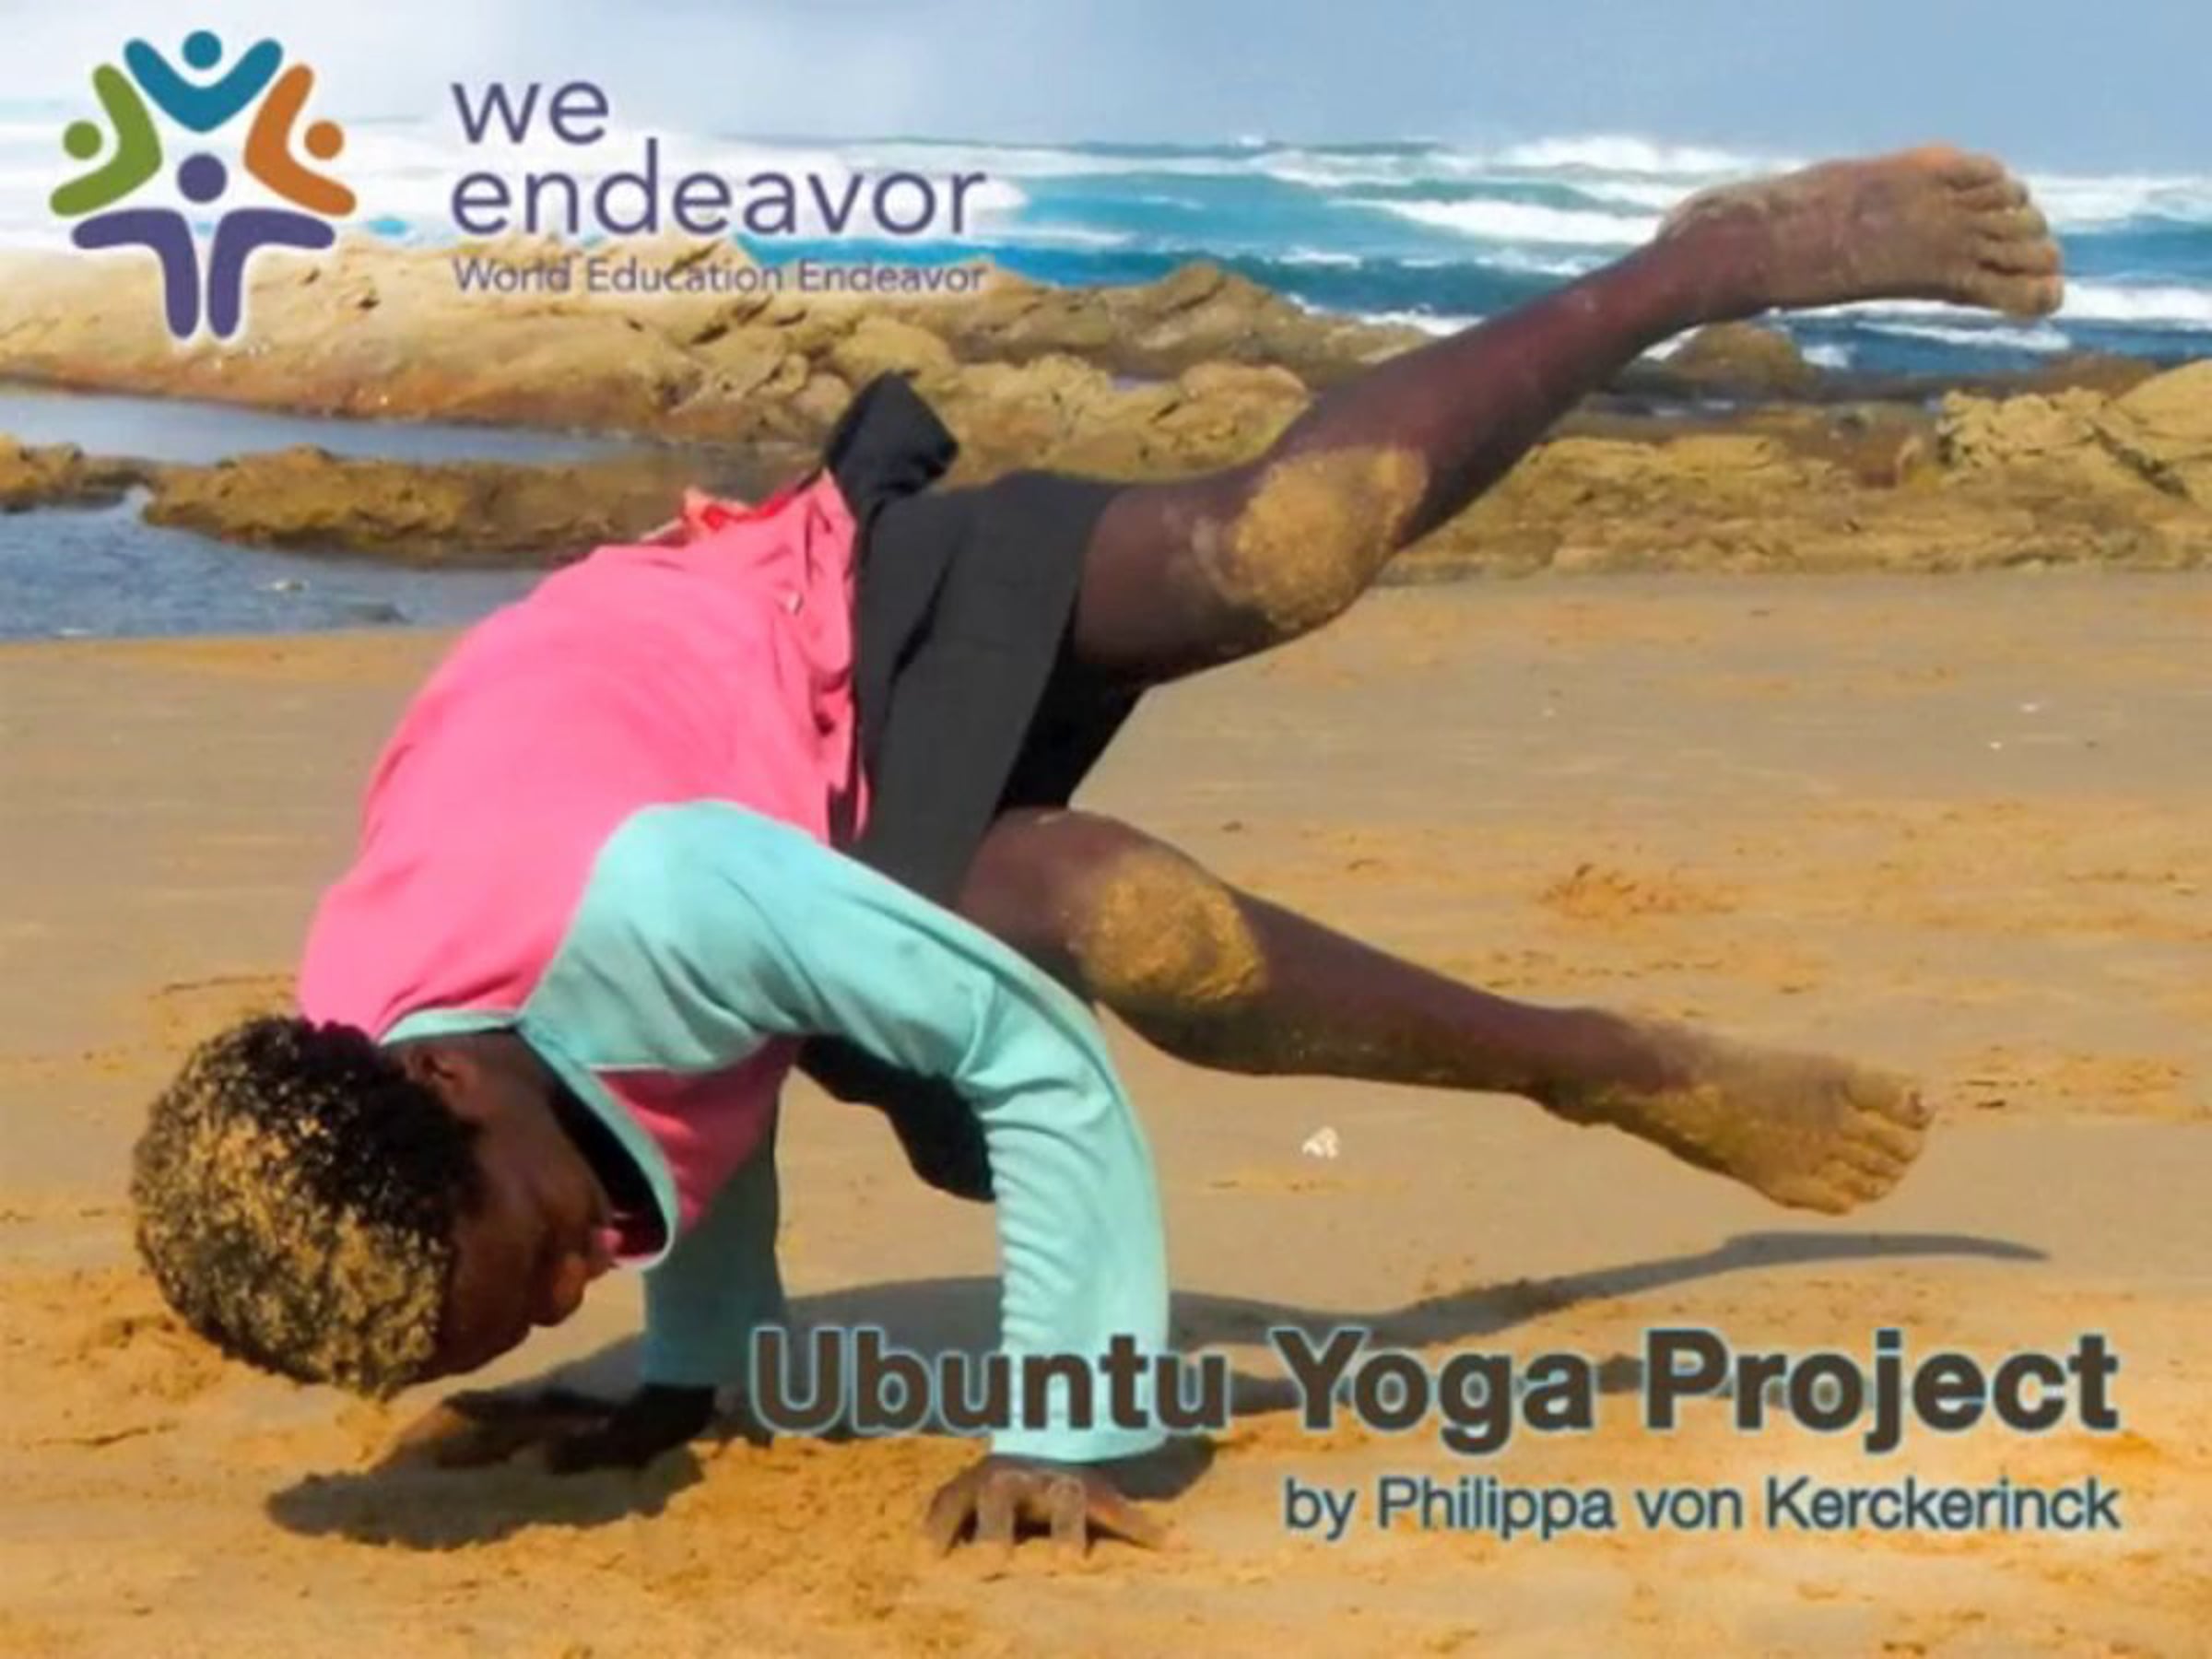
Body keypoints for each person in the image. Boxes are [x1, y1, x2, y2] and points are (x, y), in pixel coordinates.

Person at [131, 146, 2061, 1552]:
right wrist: (689, 1371)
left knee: (1287, 548)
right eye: (530, 1320)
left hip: (811, 626)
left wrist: (1063, 1421)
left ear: (448, 1085)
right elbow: (667, 1093)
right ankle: (1601, 1063)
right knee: (1143, 926)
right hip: (744, 790)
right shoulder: (379, 1077)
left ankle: (1712, 261)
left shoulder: (648, 904)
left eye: (532, 1267)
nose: (566, 1295)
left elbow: (980, 1053)